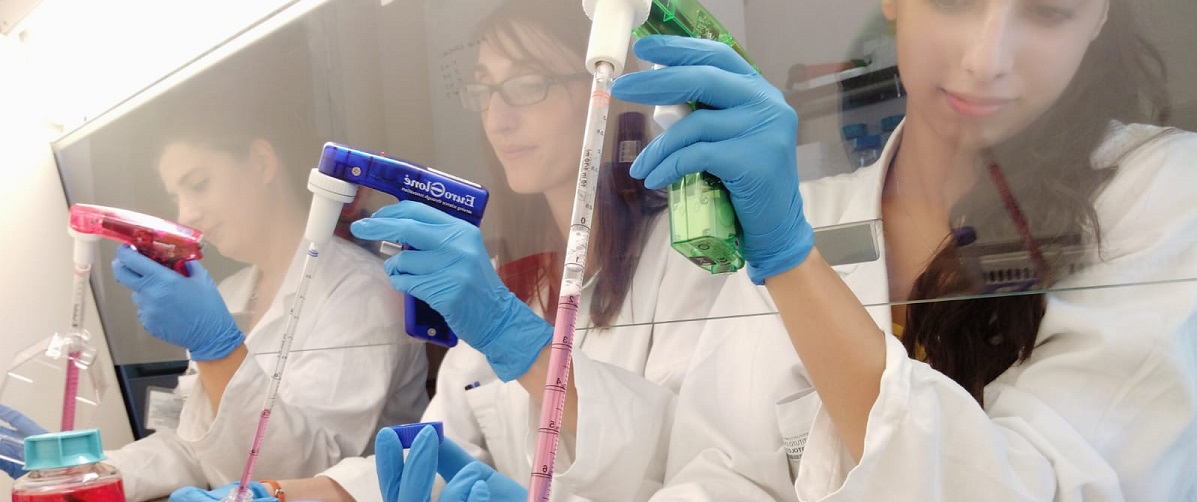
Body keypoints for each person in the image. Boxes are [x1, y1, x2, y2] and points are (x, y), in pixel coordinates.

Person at [171, 1, 800, 501]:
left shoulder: (697, 260)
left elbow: (698, 465)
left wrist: (519, 343)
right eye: (483, 91)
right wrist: (282, 494)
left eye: (527, 85)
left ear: (605, 86)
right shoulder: (504, 281)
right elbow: (440, 453)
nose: (497, 119)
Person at [603, 0, 1197, 499]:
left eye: (1047, 12)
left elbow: (1033, 487)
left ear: (1099, 17)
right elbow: (721, 471)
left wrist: (793, 262)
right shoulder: (808, 213)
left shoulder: (1167, 194)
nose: (986, 60)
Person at [0, 95, 430, 500]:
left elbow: (300, 474)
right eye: (176, 196)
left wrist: (217, 350)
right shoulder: (231, 294)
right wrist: (85, 472)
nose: (185, 214)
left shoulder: (360, 292)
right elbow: (196, 446)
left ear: (261, 163)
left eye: (198, 184)